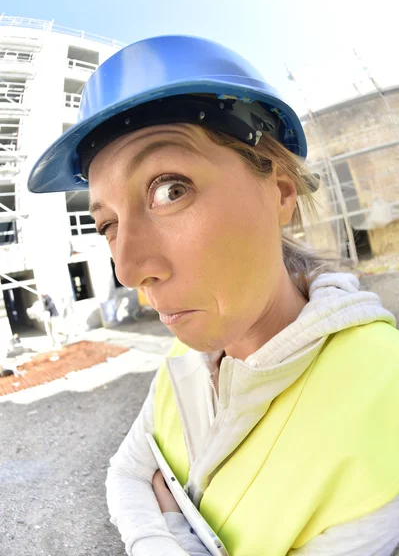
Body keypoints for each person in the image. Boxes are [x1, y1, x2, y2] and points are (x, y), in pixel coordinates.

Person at [28, 36, 399, 556]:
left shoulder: (385, 391)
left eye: (170, 189)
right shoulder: (184, 361)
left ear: (281, 190)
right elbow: (125, 475)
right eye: (107, 223)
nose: (130, 268)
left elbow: (144, 487)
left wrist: (173, 530)